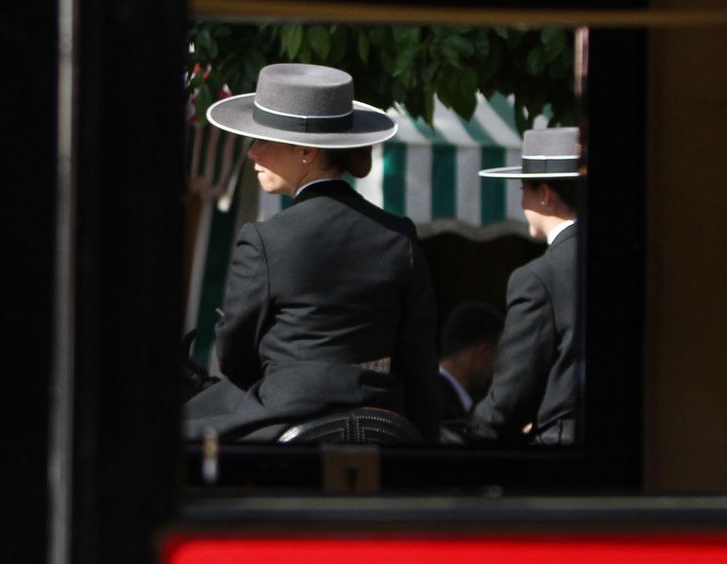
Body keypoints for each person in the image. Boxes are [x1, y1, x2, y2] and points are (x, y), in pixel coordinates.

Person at [183, 63, 441, 442]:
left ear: (306, 150)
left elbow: (235, 358)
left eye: (263, 141)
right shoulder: (398, 235)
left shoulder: (264, 239)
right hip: (384, 416)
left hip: (284, 412)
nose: (252, 153)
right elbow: (418, 360)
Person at [468, 126, 585, 446]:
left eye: (523, 189)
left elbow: (510, 398)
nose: (521, 201)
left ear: (545, 194)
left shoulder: (538, 277)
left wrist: (469, 433)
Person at [436, 301, 504, 441]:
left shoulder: (428, 395)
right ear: (484, 353)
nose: (497, 368)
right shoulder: (440, 405)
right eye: (499, 356)